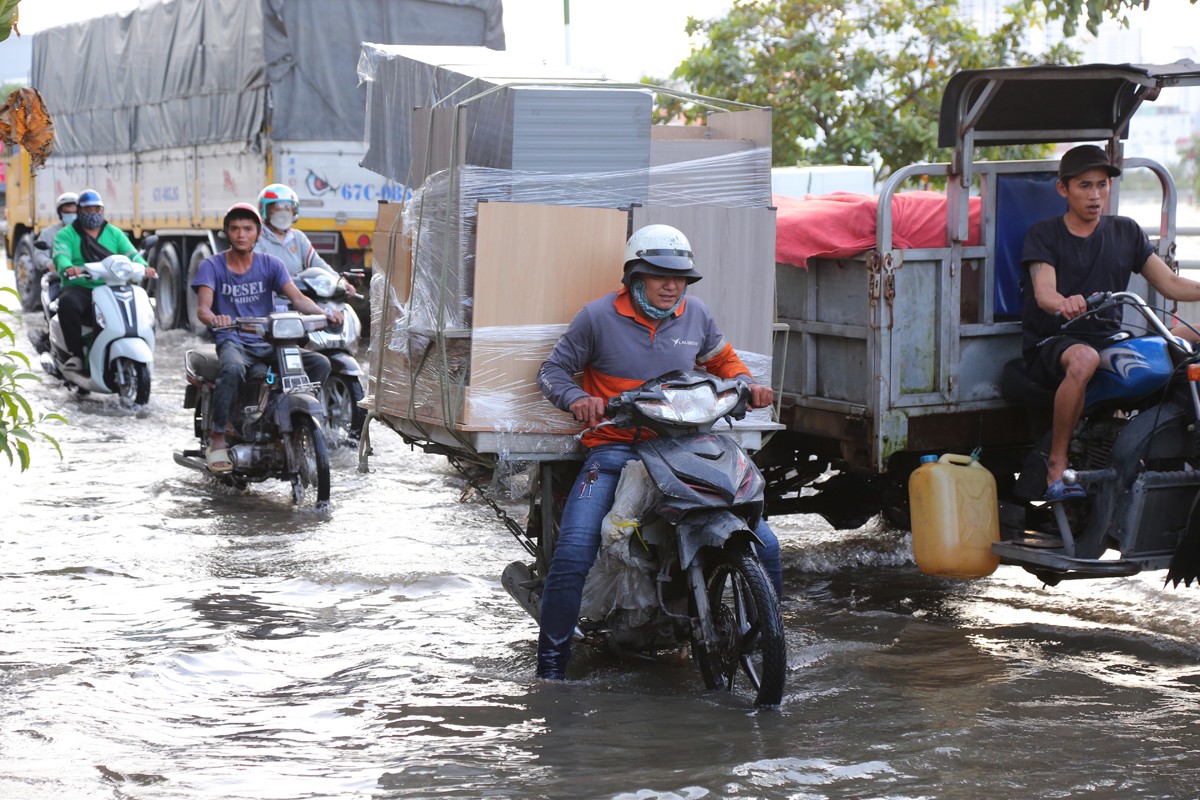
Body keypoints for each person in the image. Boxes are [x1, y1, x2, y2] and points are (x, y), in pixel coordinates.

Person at [534, 223, 784, 680]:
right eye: (660, 276)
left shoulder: (696, 316)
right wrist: (577, 400)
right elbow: (553, 371)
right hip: (617, 451)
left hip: (686, 448)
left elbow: (725, 364)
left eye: (681, 278)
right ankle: (550, 670)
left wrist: (748, 385)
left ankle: (770, 646)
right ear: (634, 276)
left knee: (765, 544)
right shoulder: (596, 318)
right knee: (573, 552)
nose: (673, 286)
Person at [1021, 144, 1200, 501]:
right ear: (1063, 189)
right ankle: (1057, 464)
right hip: (1057, 340)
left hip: (1112, 339)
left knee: (1188, 338)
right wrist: (1064, 302)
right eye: (1085, 186)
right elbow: (1044, 293)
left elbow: (1170, 283)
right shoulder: (1044, 234)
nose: (1096, 195)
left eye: (1102, 185)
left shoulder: (1126, 232)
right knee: (1084, 357)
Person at [191, 203, 342, 473]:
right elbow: (203, 308)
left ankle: (286, 417)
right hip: (234, 340)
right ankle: (217, 438)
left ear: (258, 233)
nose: (241, 234)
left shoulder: (271, 264)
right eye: (235, 228)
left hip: (269, 341)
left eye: (247, 229)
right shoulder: (212, 265)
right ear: (227, 232)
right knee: (234, 368)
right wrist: (216, 318)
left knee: (320, 364)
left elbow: (297, 298)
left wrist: (325, 313)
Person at [52, 189, 155, 372]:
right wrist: (68, 267)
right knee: (67, 303)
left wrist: (144, 266)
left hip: (111, 285)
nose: (93, 214)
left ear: (103, 210)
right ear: (80, 211)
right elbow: (61, 255)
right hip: (80, 286)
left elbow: (132, 254)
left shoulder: (114, 233)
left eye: (97, 209)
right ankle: (76, 354)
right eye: (88, 210)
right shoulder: (66, 234)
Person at [253, 182, 357, 299]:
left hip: (296, 299)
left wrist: (340, 281)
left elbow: (317, 263)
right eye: (276, 209)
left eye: (288, 208)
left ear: (294, 211)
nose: (283, 213)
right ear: (265, 210)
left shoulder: (298, 237)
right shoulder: (257, 237)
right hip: (267, 299)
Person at [35, 192, 78, 285]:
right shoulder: (48, 233)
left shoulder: (87, 232)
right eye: (67, 213)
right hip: (59, 278)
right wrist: (49, 263)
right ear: (60, 214)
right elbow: (39, 255)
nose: (72, 216)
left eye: (74, 213)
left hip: (83, 278)